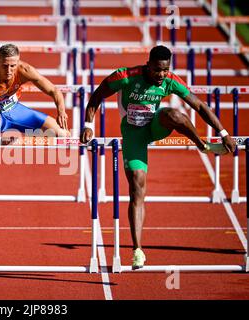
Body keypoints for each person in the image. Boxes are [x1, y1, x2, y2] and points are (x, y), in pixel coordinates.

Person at [80, 45, 236, 269]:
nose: (161, 75)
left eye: (165, 70)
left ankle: (202, 146)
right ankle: (138, 250)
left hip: (155, 126)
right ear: (148, 64)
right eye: (157, 71)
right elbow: (97, 95)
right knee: (136, 186)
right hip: (133, 133)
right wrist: (88, 125)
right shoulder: (125, 76)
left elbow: (199, 105)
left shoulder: (169, 80)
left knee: (174, 114)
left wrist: (223, 133)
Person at [0, 43, 69, 157]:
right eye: (4, 65)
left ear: (18, 62)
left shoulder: (24, 70)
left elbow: (54, 91)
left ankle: (9, 136)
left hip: (15, 110)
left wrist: (61, 111)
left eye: (13, 66)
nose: (9, 70)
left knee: (62, 134)